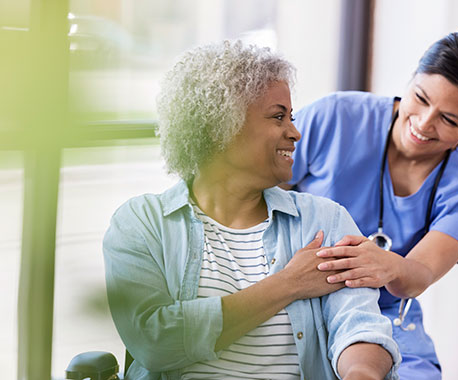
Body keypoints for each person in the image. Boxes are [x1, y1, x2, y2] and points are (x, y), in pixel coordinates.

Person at [103, 40, 401, 380]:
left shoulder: (324, 220)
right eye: (278, 117)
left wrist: (361, 373)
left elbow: (358, 325)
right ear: (221, 127)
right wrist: (287, 284)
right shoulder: (142, 223)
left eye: (291, 117)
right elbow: (154, 342)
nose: (295, 132)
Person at [284, 28, 458, 379]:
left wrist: (389, 266)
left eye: (449, 120)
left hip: (382, 312)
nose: (423, 124)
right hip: (294, 290)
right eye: (420, 98)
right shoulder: (337, 117)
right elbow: (249, 189)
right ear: (412, 79)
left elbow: (417, 276)